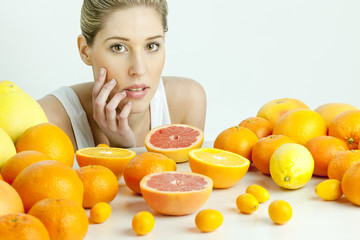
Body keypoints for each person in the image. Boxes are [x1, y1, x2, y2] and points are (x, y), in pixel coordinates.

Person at [38, 0, 206, 150]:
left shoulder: (187, 102)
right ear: (85, 51)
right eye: (118, 47)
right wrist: (119, 150)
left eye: (151, 46)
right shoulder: (47, 121)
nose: (139, 70)